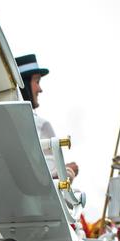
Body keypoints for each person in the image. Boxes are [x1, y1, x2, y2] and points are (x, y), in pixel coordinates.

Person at [15, 53, 79, 183]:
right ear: (24, 84)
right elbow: (47, 180)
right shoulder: (40, 125)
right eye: (37, 82)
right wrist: (69, 170)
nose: (40, 89)